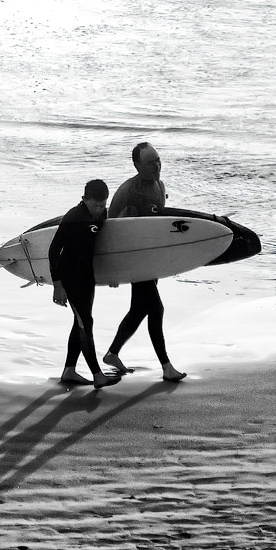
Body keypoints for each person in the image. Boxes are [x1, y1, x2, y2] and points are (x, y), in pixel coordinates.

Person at [105, 142, 186, 382]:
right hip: (134, 259)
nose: (157, 166)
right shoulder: (128, 190)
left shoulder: (160, 186)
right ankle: (166, 366)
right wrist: (114, 269)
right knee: (156, 309)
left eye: (158, 160)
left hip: (151, 259)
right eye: (151, 162)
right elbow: (110, 225)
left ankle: (112, 353)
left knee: (139, 309)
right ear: (137, 165)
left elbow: (161, 223)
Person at [48, 179, 119, 388]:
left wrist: (113, 274)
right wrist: (57, 285)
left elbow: (103, 247)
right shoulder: (74, 218)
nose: (100, 209)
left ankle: (69, 371)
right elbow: (54, 250)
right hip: (70, 277)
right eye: (95, 205)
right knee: (85, 323)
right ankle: (97, 375)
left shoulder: (101, 215)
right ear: (84, 199)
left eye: (103, 204)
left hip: (87, 276)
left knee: (80, 322)